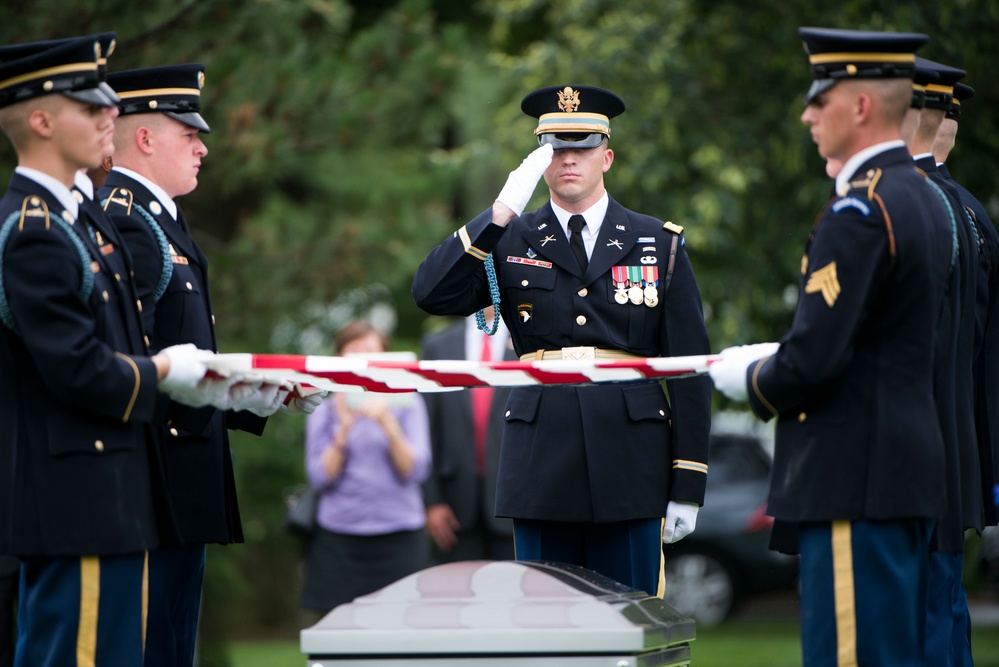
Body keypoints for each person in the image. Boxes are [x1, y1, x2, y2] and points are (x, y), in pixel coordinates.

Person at [708, 27, 953, 666]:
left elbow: (815, 360)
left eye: (821, 99)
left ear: (861, 107)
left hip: (854, 478)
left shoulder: (861, 211)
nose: (807, 114)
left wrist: (749, 375)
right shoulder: (922, 199)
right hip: (898, 472)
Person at [412, 84, 712, 597]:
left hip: (630, 460)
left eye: (583, 145)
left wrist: (688, 482)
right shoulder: (509, 238)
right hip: (540, 461)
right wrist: (501, 211)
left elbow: (688, 368)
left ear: (607, 156)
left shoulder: (656, 242)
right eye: (555, 147)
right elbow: (430, 292)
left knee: (629, 620)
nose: (568, 158)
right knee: (545, 625)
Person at [95, 63, 318, 666]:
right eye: (188, 134)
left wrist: (246, 394)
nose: (203, 147)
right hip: (152, 483)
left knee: (170, 646)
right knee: (149, 650)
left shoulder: (159, 219)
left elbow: (184, 352)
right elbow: (130, 365)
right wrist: (235, 389)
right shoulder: (127, 221)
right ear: (144, 138)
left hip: (178, 483)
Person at [0, 37, 211, 667]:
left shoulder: (81, 219)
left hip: (112, 492)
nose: (108, 120)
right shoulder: (34, 229)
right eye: (90, 109)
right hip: (73, 498)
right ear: (41, 121)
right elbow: (75, 366)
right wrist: (167, 371)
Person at [301, 320, 432, 614]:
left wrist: (388, 423)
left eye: (370, 351)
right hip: (340, 537)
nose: (362, 359)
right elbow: (319, 477)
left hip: (400, 533)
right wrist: (344, 428)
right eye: (354, 351)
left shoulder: (408, 402)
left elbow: (416, 470)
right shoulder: (324, 405)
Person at [421, 306, 516, 563]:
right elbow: (426, 429)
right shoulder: (437, 346)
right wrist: (431, 501)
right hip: (453, 510)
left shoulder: (529, 343)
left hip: (515, 505)